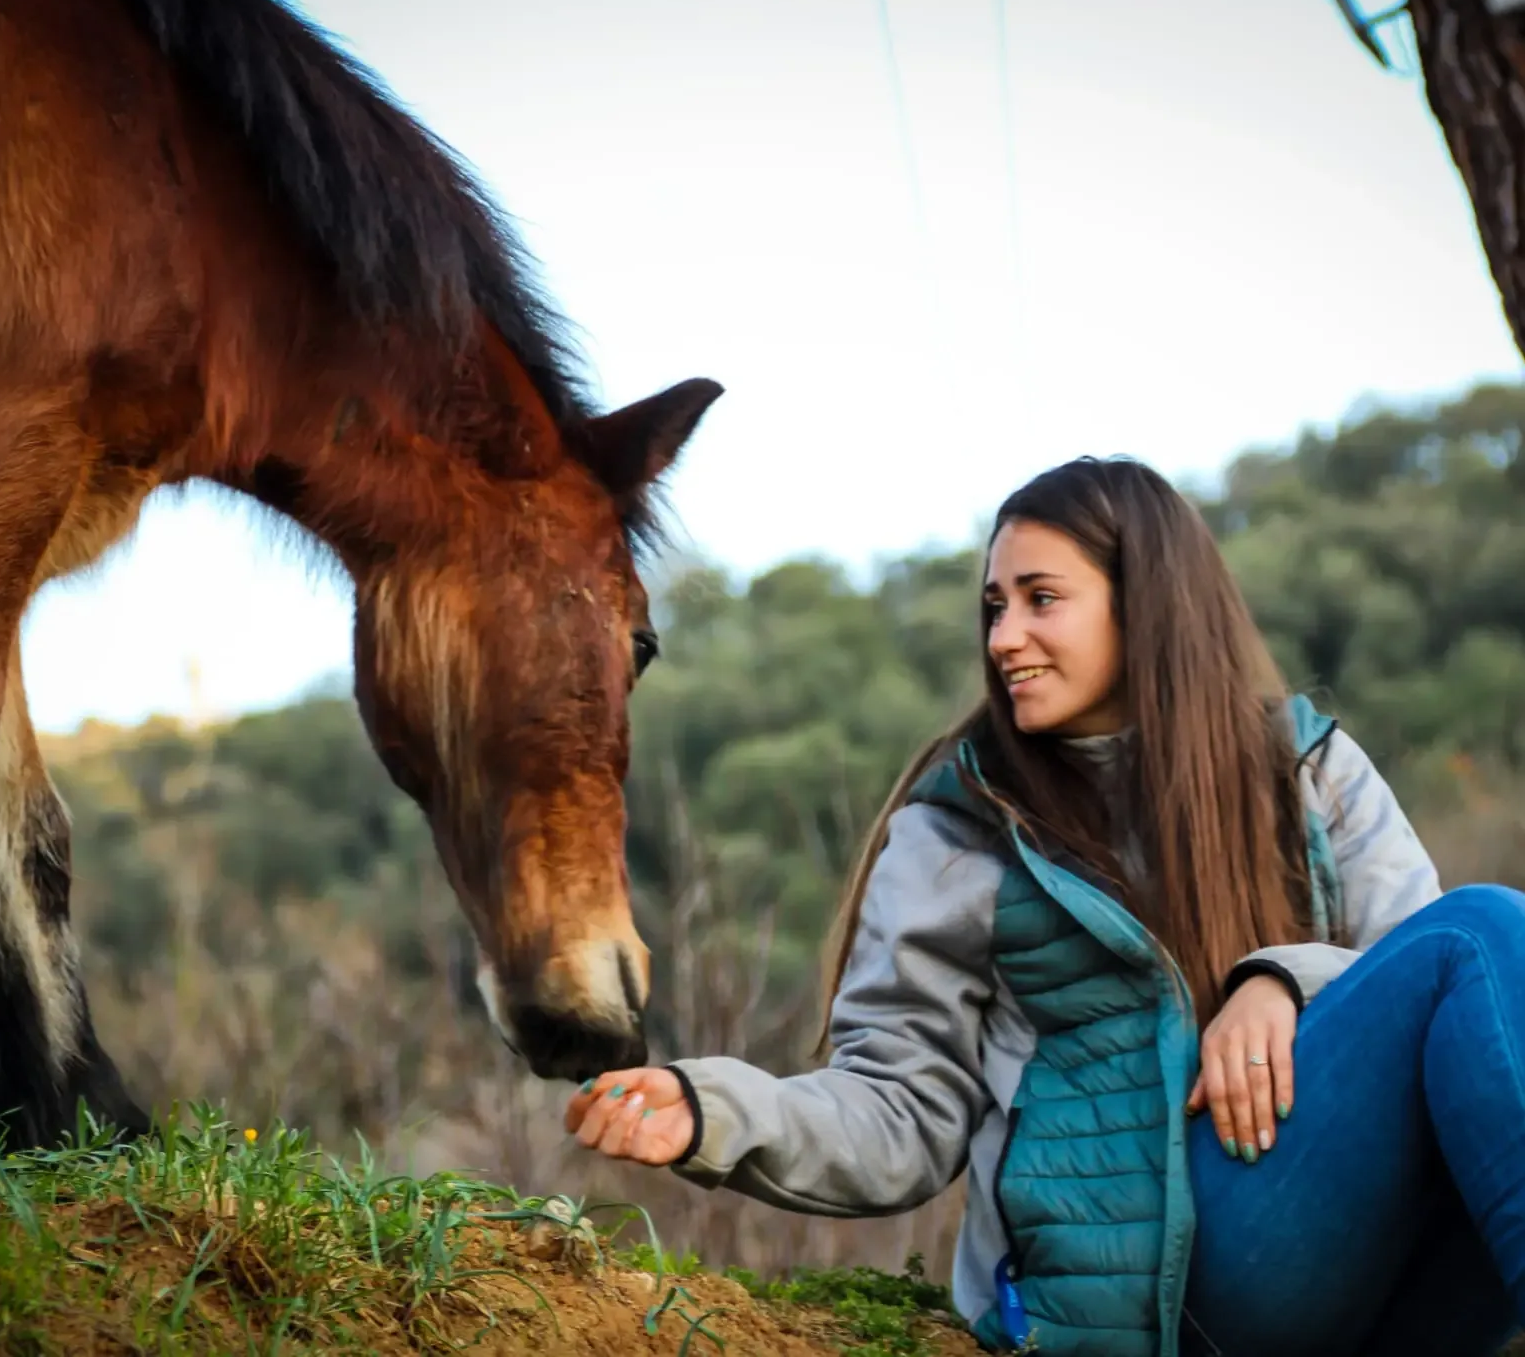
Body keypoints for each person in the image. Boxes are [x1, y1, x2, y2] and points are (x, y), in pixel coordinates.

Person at [561, 456, 1525, 1357]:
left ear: (1145, 605)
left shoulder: (1307, 770)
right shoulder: (962, 831)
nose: (1003, 637)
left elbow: (1434, 995)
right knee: (1485, 931)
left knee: (1481, 944)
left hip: (1383, 1262)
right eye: (994, 606)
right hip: (1171, 1295)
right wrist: (716, 1110)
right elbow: (901, 1106)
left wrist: (1283, 980)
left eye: (1041, 599)